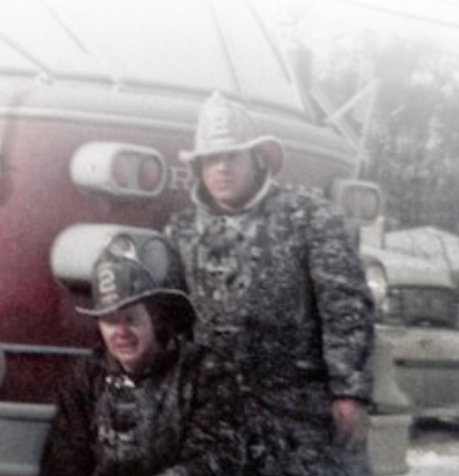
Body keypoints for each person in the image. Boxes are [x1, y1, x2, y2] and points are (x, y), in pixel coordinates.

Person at [164, 92, 375, 475]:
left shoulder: (307, 217)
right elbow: (172, 322)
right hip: (220, 413)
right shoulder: (180, 232)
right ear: (198, 168)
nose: (222, 168)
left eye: (233, 156)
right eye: (212, 158)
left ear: (257, 159)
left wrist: (350, 392)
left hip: (302, 412)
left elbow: (345, 305)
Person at [40, 235, 243, 476]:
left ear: (156, 318)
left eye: (131, 319)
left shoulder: (202, 372)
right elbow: (63, 463)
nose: (121, 332)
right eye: (109, 321)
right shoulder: (86, 378)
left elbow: (215, 457)